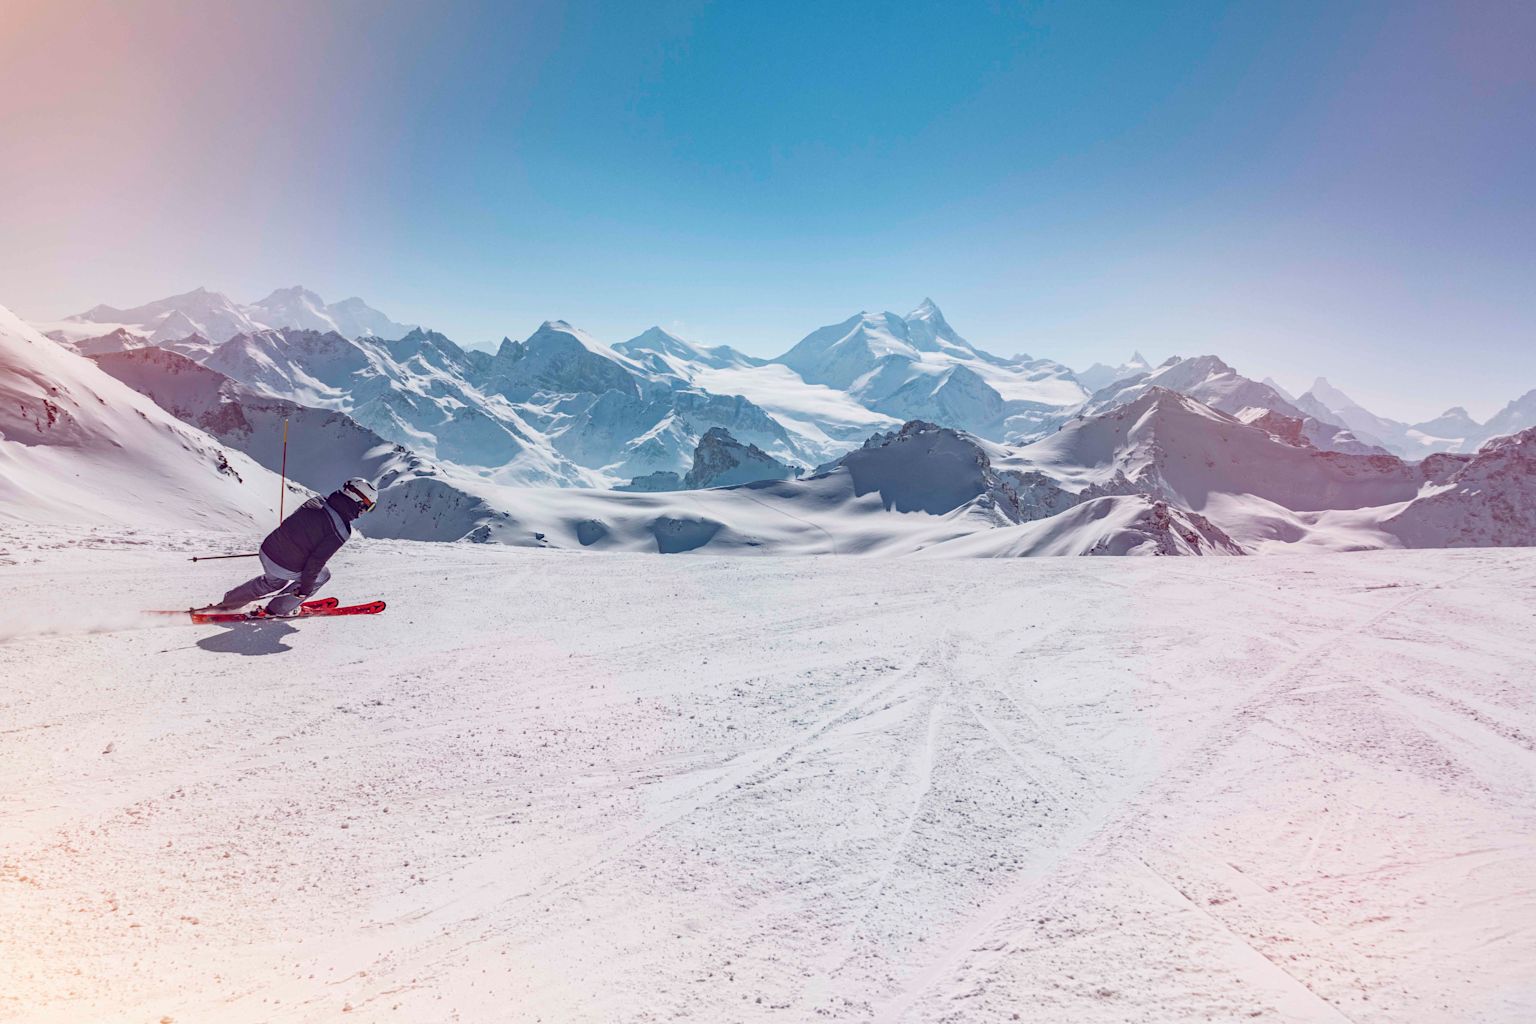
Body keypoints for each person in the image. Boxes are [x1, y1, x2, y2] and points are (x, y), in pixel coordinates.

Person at [202, 477, 378, 617]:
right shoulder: (342, 530)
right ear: (359, 502)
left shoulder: (318, 500)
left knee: (272, 582)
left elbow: (295, 526)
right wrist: (304, 590)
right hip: (284, 565)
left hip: (267, 550)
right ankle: (278, 610)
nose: (365, 511)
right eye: (369, 507)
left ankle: (228, 603)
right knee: (323, 575)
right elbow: (316, 563)